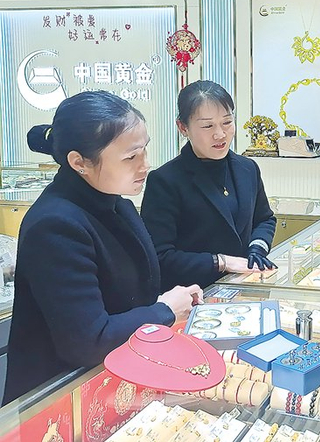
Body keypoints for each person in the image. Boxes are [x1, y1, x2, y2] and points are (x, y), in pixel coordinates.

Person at [3, 91, 202, 405]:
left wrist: (171, 301)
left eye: (145, 150)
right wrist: (164, 311)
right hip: (58, 398)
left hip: (114, 377)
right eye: (131, 157)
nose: (146, 165)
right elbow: (87, 340)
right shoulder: (54, 224)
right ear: (79, 162)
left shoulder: (116, 203)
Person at [141, 80, 276, 291]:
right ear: (183, 127)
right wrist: (221, 262)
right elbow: (160, 256)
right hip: (193, 295)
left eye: (227, 122)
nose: (220, 134)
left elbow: (265, 219)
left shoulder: (248, 168)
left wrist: (257, 248)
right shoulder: (165, 180)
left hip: (243, 289)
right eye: (207, 126)